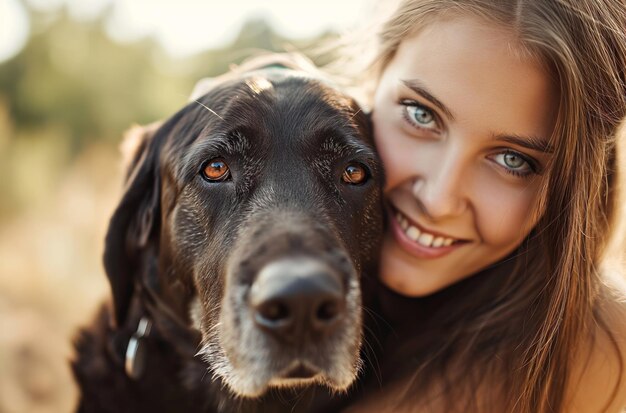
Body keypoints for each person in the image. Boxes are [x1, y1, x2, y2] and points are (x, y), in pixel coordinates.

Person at [329, 0, 626, 412]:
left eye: (512, 160)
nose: (437, 201)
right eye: (421, 114)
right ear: (375, 79)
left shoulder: (594, 353)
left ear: (570, 186)